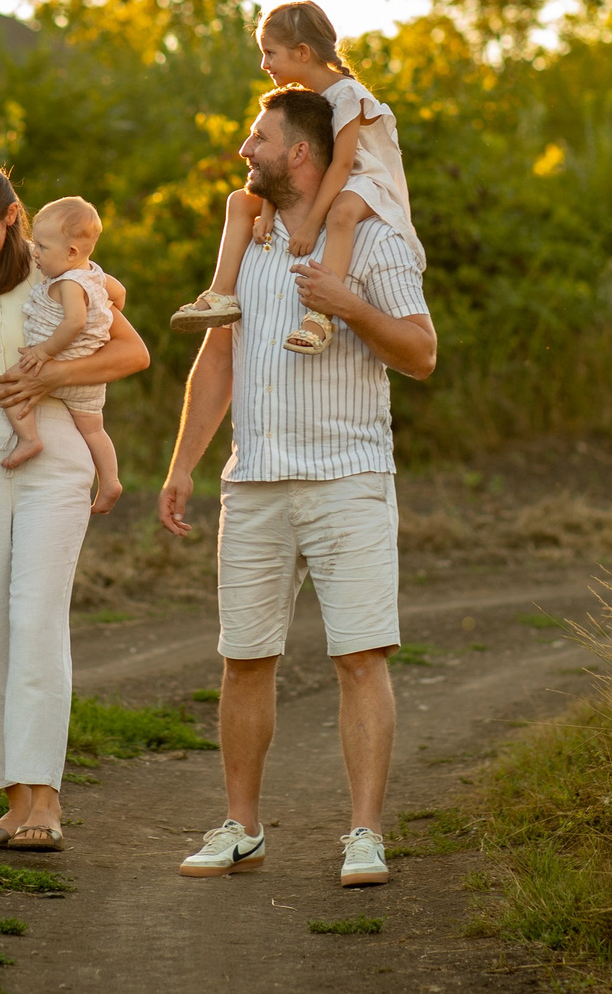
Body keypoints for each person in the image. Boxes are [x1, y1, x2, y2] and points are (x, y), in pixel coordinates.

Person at [157, 87, 436, 887]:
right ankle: (242, 826)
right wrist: (183, 465)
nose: (246, 150)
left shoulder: (372, 239)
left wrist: (346, 302)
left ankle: (365, 834)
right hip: (253, 482)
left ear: (301, 153)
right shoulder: (247, 237)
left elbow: (421, 352)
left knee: (359, 657)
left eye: (259, 137)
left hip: (348, 475)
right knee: (244, 657)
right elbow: (217, 358)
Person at [0, 162, 152, 852]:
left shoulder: (61, 274)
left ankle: (46, 797)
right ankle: (14, 802)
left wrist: (53, 371)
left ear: (12, 215)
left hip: (55, 446)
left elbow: (131, 351)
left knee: (36, 615)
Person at [172, 1, 423, 354]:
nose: (264, 64)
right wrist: (269, 212)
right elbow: (284, 166)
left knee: (343, 213)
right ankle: (222, 294)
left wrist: (309, 226)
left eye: (270, 53)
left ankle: (319, 318)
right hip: (332, 179)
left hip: (366, 180)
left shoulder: (346, 94)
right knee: (242, 200)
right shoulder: (304, 100)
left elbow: (342, 166)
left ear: (302, 52)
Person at [0, 195, 125, 513]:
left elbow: (74, 322)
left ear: (71, 252)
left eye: (42, 247)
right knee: (94, 429)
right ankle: (109, 481)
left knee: (7, 386)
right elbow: (119, 293)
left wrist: (44, 351)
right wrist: (106, 315)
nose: (35, 253)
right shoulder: (94, 275)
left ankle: (29, 439)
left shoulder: (68, 282)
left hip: (57, 364)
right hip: (87, 379)